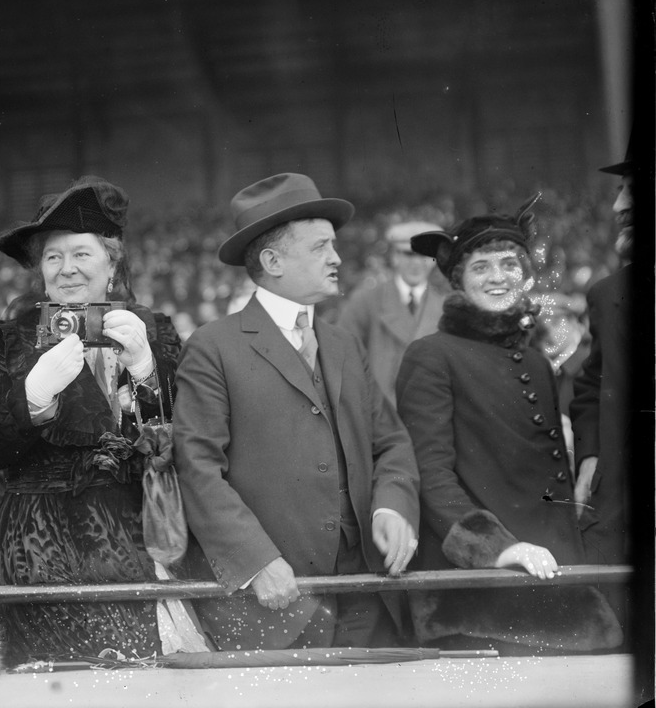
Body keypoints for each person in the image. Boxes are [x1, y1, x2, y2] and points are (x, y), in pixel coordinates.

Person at [174, 172, 421, 651]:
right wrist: (256, 560)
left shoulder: (343, 343)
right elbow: (197, 467)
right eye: (320, 247)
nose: (337, 258)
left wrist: (393, 505)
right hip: (274, 604)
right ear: (273, 261)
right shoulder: (213, 346)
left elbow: (390, 442)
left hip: (368, 596)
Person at [0, 176, 188, 664]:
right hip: (34, 546)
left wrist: (147, 373)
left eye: (81, 254)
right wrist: (32, 398)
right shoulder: (10, 341)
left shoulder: (155, 330)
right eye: (53, 257)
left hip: (133, 538)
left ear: (111, 262)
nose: (67, 269)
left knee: (136, 688)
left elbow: (184, 444)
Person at [396, 200, 622, 654]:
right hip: (481, 605)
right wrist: (498, 549)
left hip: (557, 587)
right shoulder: (431, 355)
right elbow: (430, 475)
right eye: (481, 266)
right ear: (458, 280)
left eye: (509, 263)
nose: (498, 276)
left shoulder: (538, 362)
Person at [569, 142, 635, 620]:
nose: (619, 207)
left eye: (634, 191)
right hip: (621, 513)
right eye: (619, 193)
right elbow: (591, 386)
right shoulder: (608, 294)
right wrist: (590, 454)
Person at [337, 220, 445, 407]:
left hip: (429, 416)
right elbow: (341, 356)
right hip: (379, 416)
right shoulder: (365, 301)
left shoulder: (445, 308)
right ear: (395, 257)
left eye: (425, 255)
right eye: (409, 254)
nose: (417, 263)